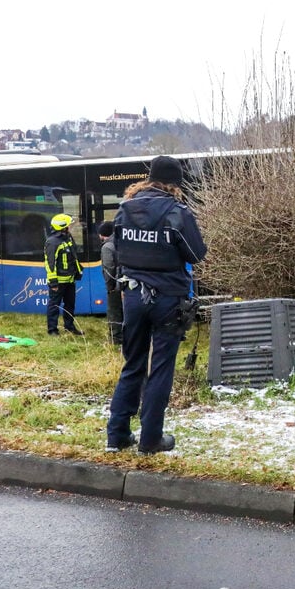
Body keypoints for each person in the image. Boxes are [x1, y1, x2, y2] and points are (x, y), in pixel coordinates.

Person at [105, 155, 207, 455]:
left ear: (149, 178)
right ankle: (150, 440)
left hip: (133, 297)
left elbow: (118, 250)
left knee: (132, 364)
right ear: (175, 183)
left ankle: (117, 435)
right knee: (160, 368)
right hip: (167, 300)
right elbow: (195, 254)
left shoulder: (125, 209)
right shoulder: (177, 212)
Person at [44, 213, 84, 336]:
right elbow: (50, 264)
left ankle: (70, 327)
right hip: (59, 282)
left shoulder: (68, 237)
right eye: (69, 225)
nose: (71, 227)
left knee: (70, 304)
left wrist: (77, 272)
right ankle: (52, 330)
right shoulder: (52, 242)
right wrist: (53, 282)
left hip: (70, 279)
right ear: (63, 227)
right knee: (54, 305)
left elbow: (74, 256)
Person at [98, 221, 124, 346]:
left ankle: (116, 339)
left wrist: (110, 287)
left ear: (102, 235)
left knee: (114, 312)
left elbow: (109, 268)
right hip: (125, 284)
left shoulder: (107, 247)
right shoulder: (121, 241)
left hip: (116, 286)